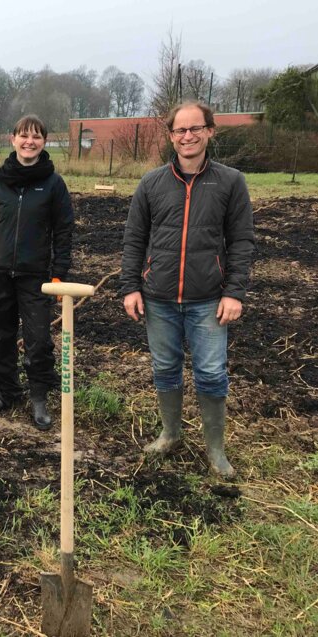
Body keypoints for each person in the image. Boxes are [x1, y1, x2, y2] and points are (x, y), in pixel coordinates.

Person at [120, 100, 255, 478]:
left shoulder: (230, 182)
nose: (188, 136)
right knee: (165, 368)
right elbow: (134, 239)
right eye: (180, 130)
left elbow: (242, 241)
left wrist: (234, 292)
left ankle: (216, 452)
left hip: (209, 299)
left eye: (196, 128)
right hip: (158, 298)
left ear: (210, 131)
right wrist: (130, 286)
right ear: (171, 136)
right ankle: (171, 434)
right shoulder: (152, 183)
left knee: (211, 373)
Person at [0, 114, 73, 430]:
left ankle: (39, 398)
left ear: (45, 142)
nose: (30, 141)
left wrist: (58, 273)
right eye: (24, 135)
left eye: (37, 136)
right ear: (12, 139)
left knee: (38, 339)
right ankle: (6, 392)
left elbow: (64, 231)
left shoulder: (54, 184)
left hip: (36, 277)